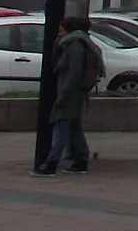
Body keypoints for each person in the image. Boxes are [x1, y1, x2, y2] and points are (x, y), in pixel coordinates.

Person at [35, 16, 105, 175]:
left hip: (70, 92)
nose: (59, 33)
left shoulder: (74, 45)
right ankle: (81, 159)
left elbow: (73, 71)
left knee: (61, 125)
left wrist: (64, 94)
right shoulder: (80, 42)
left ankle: (52, 162)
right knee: (73, 126)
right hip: (74, 92)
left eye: (62, 29)